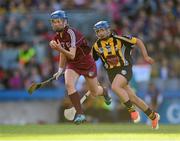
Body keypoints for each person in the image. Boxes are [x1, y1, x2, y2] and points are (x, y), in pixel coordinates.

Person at [92, 21, 160, 129]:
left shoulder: (120, 39)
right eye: (97, 31)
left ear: (108, 30)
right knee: (133, 98)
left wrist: (146, 56)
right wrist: (92, 76)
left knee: (115, 87)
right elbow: (92, 61)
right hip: (111, 73)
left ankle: (132, 111)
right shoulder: (96, 46)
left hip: (125, 68)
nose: (100, 33)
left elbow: (138, 41)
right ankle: (153, 116)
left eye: (102, 30)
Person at [49, 10, 111, 124]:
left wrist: (59, 48)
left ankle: (105, 92)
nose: (56, 24)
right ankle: (80, 114)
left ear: (65, 22)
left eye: (58, 21)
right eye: (54, 22)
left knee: (95, 92)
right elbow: (63, 54)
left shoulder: (72, 33)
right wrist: (60, 70)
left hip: (87, 64)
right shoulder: (57, 36)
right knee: (69, 84)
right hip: (73, 65)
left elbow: (71, 54)